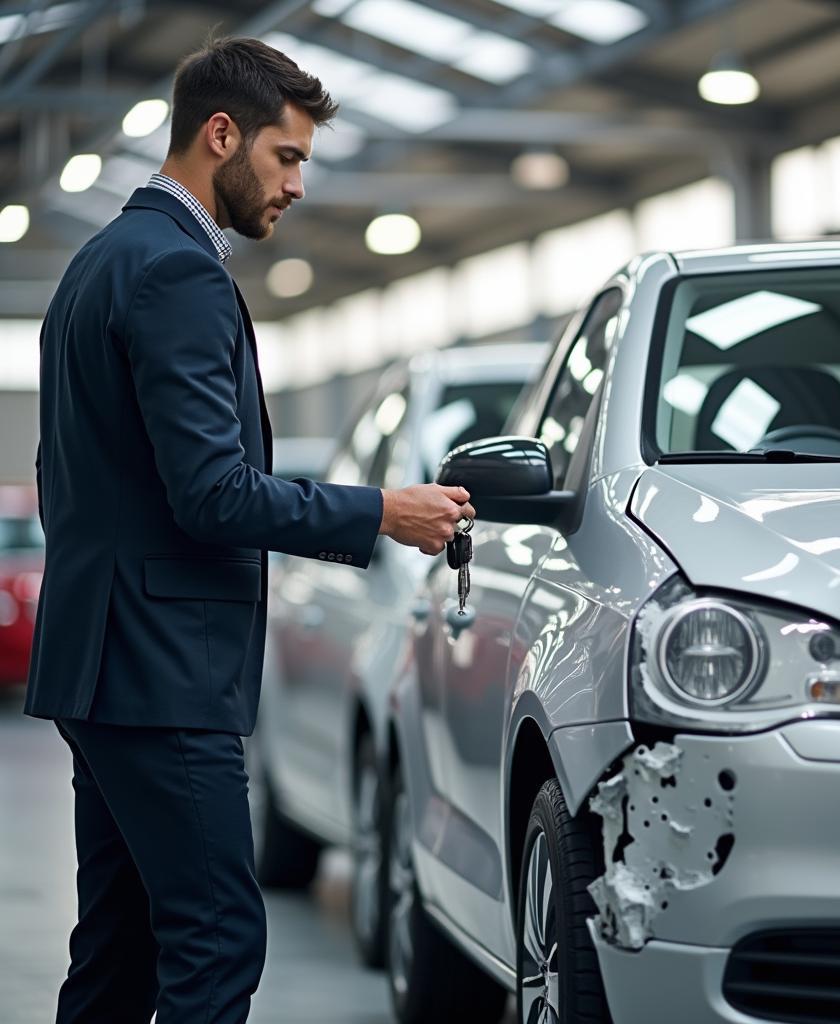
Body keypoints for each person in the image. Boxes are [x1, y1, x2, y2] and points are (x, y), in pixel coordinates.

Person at [25, 36, 473, 1024]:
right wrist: (381, 512)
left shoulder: (103, 261)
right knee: (217, 935)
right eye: (287, 156)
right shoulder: (176, 272)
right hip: (161, 672)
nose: (299, 184)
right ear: (220, 134)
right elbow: (214, 495)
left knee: (118, 946)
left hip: (103, 663)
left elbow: (77, 477)